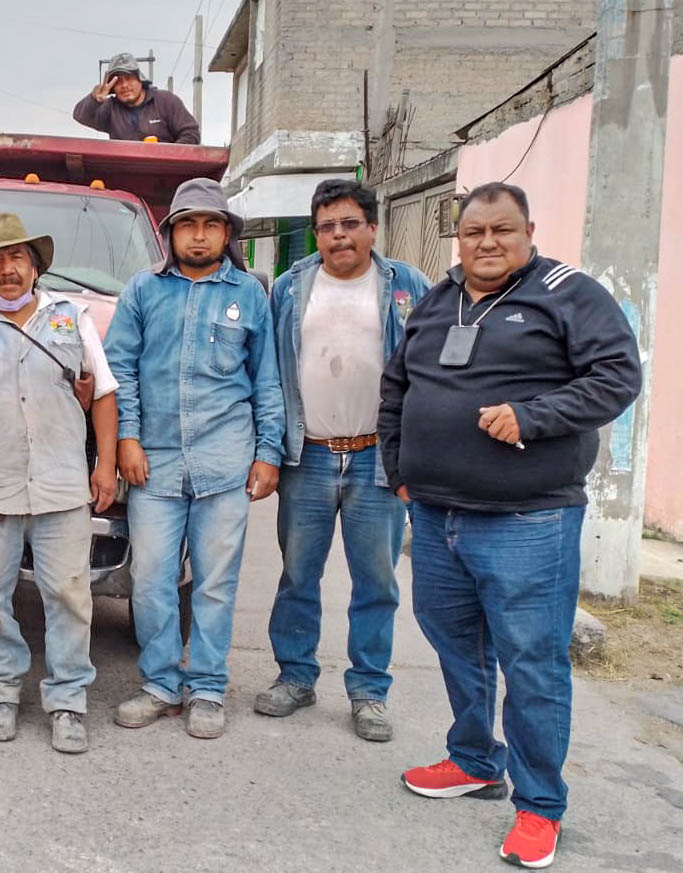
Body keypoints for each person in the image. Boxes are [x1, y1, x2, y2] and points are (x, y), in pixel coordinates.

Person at [380, 182, 642, 869]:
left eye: (502, 230)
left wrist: (532, 416)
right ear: (457, 238)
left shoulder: (567, 292)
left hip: (528, 518)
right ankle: (472, 759)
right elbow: (396, 384)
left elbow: (616, 375)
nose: (487, 242)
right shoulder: (439, 299)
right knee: (456, 646)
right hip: (436, 514)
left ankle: (539, 804)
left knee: (531, 661)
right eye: (474, 232)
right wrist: (398, 463)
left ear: (528, 230)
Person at [0, 213, 119, 754]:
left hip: (61, 485)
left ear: (35, 267)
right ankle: (0, 691)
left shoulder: (71, 317)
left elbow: (103, 392)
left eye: (17, 258)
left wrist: (104, 465)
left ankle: (67, 702)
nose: (7, 270)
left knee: (69, 595)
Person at [103, 177, 283, 740]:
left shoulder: (250, 293)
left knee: (214, 583)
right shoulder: (143, 290)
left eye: (210, 224)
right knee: (152, 581)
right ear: (171, 233)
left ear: (226, 233)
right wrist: (126, 439)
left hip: (225, 460)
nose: (199, 236)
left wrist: (268, 452)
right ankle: (159, 684)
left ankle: (207, 687)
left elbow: (268, 380)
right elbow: (119, 370)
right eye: (188, 224)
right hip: (152, 463)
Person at [258, 180, 431, 742]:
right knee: (297, 574)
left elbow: (433, 369)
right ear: (316, 232)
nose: (339, 236)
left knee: (375, 581)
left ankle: (369, 692)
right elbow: (268, 373)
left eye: (350, 223)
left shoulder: (406, 286)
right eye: (328, 226)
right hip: (306, 456)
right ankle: (296, 676)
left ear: (372, 228)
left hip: (376, 459)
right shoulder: (289, 288)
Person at [72, 52, 201, 144]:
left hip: (167, 173)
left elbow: (191, 133)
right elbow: (80, 116)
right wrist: (95, 99)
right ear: (113, 88)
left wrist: (169, 155)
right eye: (118, 81)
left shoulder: (166, 101)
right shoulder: (110, 108)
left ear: (140, 79)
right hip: (125, 175)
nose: (124, 85)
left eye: (129, 78)